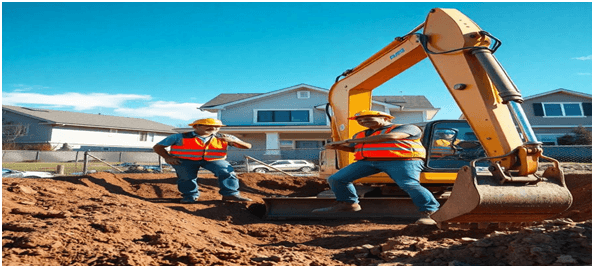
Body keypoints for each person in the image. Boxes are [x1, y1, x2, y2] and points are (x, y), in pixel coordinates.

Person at [311, 110, 440, 225]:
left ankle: (430, 212)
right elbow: (355, 148)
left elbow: (391, 137)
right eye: (360, 120)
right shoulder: (360, 135)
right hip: (369, 161)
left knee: (409, 184)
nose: (363, 121)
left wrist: (348, 141)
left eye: (368, 118)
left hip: (402, 160)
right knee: (336, 179)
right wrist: (338, 146)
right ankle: (348, 203)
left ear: (386, 118)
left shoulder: (407, 127)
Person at [153, 118, 253, 204]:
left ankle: (230, 194)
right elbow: (158, 147)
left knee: (227, 171)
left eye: (217, 127)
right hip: (185, 160)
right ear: (196, 127)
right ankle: (190, 196)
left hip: (214, 159)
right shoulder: (179, 136)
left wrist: (234, 141)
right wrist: (167, 157)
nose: (214, 129)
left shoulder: (225, 137)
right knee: (186, 177)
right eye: (209, 126)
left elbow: (247, 146)